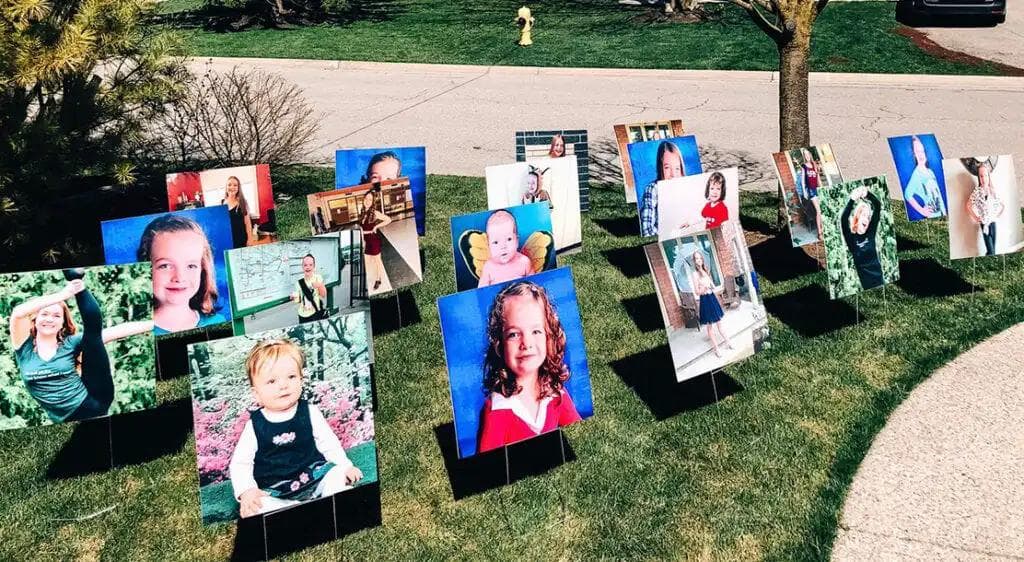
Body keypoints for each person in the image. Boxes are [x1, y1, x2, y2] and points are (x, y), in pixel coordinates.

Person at [229, 339, 363, 518]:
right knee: (257, 508)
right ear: (256, 393)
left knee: (337, 473)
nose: (283, 385)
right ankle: (292, 507)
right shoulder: (254, 425)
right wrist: (247, 491)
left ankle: (332, 495)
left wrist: (345, 466)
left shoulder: (309, 412)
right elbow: (241, 463)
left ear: (301, 379)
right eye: (272, 381)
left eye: (291, 377)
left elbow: (329, 443)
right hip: (275, 490)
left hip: (314, 477)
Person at [7, 268, 152, 423]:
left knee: (93, 336)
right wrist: (63, 295)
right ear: (35, 319)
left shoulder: (70, 343)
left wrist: (155, 324)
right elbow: (18, 313)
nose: (49, 319)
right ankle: (75, 280)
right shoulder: (24, 348)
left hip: (94, 401)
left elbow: (116, 331)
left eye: (56, 316)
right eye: (45, 314)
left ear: (62, 323)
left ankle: (76, 282)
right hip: (66, 421)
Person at [477, 281, 583, 453]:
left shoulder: (556, 394)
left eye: (536, 331)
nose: (526, 343)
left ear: (549, 337)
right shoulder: (496, 409)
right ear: (499, 345)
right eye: (513, 334)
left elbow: (583, 440)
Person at [136, 214, 227, 335]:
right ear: (146, 267)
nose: (179, 277)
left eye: (191, 266)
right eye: (165, 266)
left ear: (202, 270)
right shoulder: (135, 333)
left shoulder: (218, 323)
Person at [840, 186, 884, 289]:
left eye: (868, 217)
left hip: (880, 281)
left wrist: (867, 194)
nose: (867, 219)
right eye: (864, 215)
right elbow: (843, 219)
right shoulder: (851, 239)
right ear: (857, 217)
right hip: (867, 286)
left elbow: (877, 206)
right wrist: (852, 200)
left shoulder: (870, 232)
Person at [639, 141, 686, 237]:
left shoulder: (685, 188)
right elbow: (647, 230)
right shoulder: (652, 189)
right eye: (667, 168)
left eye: (677, 168)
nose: (673, 174)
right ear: (660, 168)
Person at [692, 251, 734, 358]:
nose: (699, 260)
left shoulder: (705, 270)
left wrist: (711, 286)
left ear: (702, 259)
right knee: (710, 326)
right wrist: (703, 288)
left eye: (700, 258)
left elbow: (712, 284)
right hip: (705, 300)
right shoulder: (695, 274)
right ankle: (716, 349)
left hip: (712, 297)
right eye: (696, 258)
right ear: (694, 261)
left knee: (719, 323)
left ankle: (728, 342)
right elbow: (697, 292)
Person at [478, 210, 534, 288]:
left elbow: (534, 284)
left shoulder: (524, 262)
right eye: (496, 242)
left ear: (517, 241)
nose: (503, 246)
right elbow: (481, 290)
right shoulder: (488, 267)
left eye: (509, 239)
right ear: (489, 245)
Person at [966, 159, 1004, 256]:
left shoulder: (992, 191)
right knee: (991, 252)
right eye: (981, 176)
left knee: (993, 251)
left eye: (985, 175)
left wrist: (998, 215)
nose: (983, 179)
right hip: (984, 224)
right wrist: (976, 217)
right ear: (979, 177)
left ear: (988, 176)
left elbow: (1001, 205)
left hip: (993, 223)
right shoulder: (977, 192)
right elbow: (968, 205)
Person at [903, 136, 946, 220]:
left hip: (943, 213)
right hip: (933, 217)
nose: (921, 154)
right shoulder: (917, 174)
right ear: (914, 155)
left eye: (922, 151)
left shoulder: (930, 172)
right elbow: (907, 194)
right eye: (917, 152)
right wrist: (922, 211)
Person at [360, 190, 393, 292]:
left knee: (377, 261)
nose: (367, 201)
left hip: (373, 240)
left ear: (373, 202)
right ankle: (370, 278)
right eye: (366, 198)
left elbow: (388, 219)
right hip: (366, 240)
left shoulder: (375, 213)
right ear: (363, 199)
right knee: (367, 261)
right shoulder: (362, 212)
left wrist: (376, 226)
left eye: (370, 200)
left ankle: (378, 279)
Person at [290, 254, 328, 323]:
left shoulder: (317, 278)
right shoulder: (299, 282)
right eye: (305, 265)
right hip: (302, 315)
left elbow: (323, 295)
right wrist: (293, 298)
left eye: (310, 265)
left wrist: (320, 285)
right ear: (302, 267)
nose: (308, 267)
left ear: (314, 266)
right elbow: (299, 300)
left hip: (315, 313)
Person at [797, 148, 824, 241]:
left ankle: (823, 228)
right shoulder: (804, 166)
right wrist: (805, 192)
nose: (807, 156)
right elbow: (803, 181)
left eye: (808, 154)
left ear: (810, 155)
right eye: (805, 155)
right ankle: (820, 233)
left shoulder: (814, 165)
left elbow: (818, 177)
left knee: (822, 210)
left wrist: (822, 187)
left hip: (817, 189)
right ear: (804, 157)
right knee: (819, 211)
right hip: (811, 191)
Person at [222, 176, 255, 248]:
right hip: (228, 240)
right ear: (226, 187)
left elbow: (247, 223)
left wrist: (250, 239)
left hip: (241, 238)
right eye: (229, 185)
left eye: (235, 185)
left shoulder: (243, 202)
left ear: (238, 188)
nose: (232, 187)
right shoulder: (221, 203)